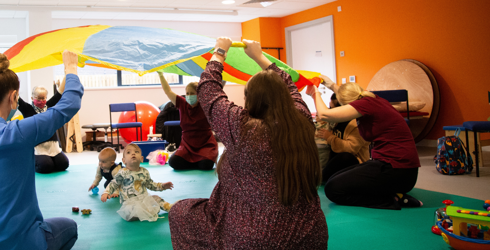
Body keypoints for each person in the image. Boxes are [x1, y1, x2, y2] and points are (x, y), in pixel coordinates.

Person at [169, 38, 328, 249]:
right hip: (309, 232)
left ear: (249, 98)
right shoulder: (303, 118)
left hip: (251, 234)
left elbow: (207, 91)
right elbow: (289, 85)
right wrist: (259, 56)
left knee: (180, 212)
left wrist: (219, 52)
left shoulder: (242, 127)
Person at [0, 51, 82, 250]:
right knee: (70, 227)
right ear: (13, 97)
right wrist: (71, 69)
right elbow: (70, 104)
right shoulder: (17, 132)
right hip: (22, 244)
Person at [306, 73, 422, 210]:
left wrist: (315, 93)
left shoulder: (366, 105)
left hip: (397, 171)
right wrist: (330, 84)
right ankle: (392, 194)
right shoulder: (372, 100)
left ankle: (392, 199)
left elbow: (325, 114)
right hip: (394, 167)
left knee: (333, 190)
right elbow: (348, 97)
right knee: (333, 179)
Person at [158, 72, 218, 170]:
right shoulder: (182, 103)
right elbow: (168, 91)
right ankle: (196, 163)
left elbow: (217, 89)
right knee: (173, 162)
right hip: (187, 145)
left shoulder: (206, 105)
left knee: (206, 165)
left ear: (199, 95)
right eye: (187, 93)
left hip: (205, 144)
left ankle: (196, 163)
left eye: (192, 93)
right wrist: (161, 75)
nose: (189, 96)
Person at [101, 143, 174, 222]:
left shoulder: (144, 172)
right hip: (129, 204)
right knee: (130, 212)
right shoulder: (122, 173)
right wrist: (106, 192)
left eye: (136, 152)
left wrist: (162, 186)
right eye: (129, 152)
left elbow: (151, 185)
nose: (133, 153)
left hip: (143, 200)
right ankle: (145, 212)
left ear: (141, 159)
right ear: (124, 160)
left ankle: (171, 207)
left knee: (156, 198)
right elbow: (113, 183)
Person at [17, 79, 69, 174]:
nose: (41, 101)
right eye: (38, 98)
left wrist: (67, 74)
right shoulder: (27, 109)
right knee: (46, 166)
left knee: (63, 164)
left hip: (53, 146)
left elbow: (60, 92)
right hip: (38, 147)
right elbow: (16, 97)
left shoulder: (50, 106)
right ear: (32, 98)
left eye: (43, 98)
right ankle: (32, 161)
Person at [318, 92, 370, 182]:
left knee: (346, 157)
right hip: (336, 160)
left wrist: (330, 137)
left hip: (354, 162)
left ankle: (319, 178)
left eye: (332, 108)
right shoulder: (336, 121)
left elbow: (350, 149)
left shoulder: (355, 124)